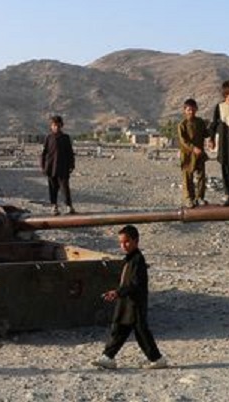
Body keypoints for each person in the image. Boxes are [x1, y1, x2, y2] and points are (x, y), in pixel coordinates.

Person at [91, 225, 167, 370]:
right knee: (120, 329)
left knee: (141, 333)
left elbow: (135, 284)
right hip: (127, 302)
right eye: (121, 242)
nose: (123, 245)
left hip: (135, 303)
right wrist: (117, 292)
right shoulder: (130, 259)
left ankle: (157, 359)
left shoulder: (138, 260)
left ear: (136, 241)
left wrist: (118, 293)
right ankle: (108, 357)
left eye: (126, 242)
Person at [41, 115, 75, 215]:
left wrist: (72, 164)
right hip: (51, 168)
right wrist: (43, 166)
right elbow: (44, 153)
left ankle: (69, 206)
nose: (56, 127)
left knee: (65, 188)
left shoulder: (65, 138)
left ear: (61, 126)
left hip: (63, 167)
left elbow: (70, 152)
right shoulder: (48, 138)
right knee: (52, 188)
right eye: (54, 125)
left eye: (58, 125)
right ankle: (54, 206)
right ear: (51, 126)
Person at [178, 98, 209, 208]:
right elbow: (183, 141)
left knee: (201, 177)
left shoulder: (200, 122)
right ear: (185, 110)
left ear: (196, 109)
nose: (191, 112)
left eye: (193, 109)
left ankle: (199, 197)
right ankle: (189, 199)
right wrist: (193, 148)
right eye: (188, 110)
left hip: (199, 154)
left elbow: (206, 134)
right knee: (187, 177)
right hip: (187, 155)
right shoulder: (182, 125)